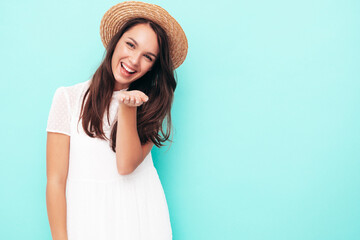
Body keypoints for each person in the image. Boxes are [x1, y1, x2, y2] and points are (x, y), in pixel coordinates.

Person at [45, 1, 188, 239]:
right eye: (130, 45)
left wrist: (127, 107)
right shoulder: (68, 98)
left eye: (148, 57)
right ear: (116, 42)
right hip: (87, 219)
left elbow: (125, 165)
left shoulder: (150, 106)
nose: (133, 60)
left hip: (139, 219)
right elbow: (55, 182)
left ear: (153, 67)